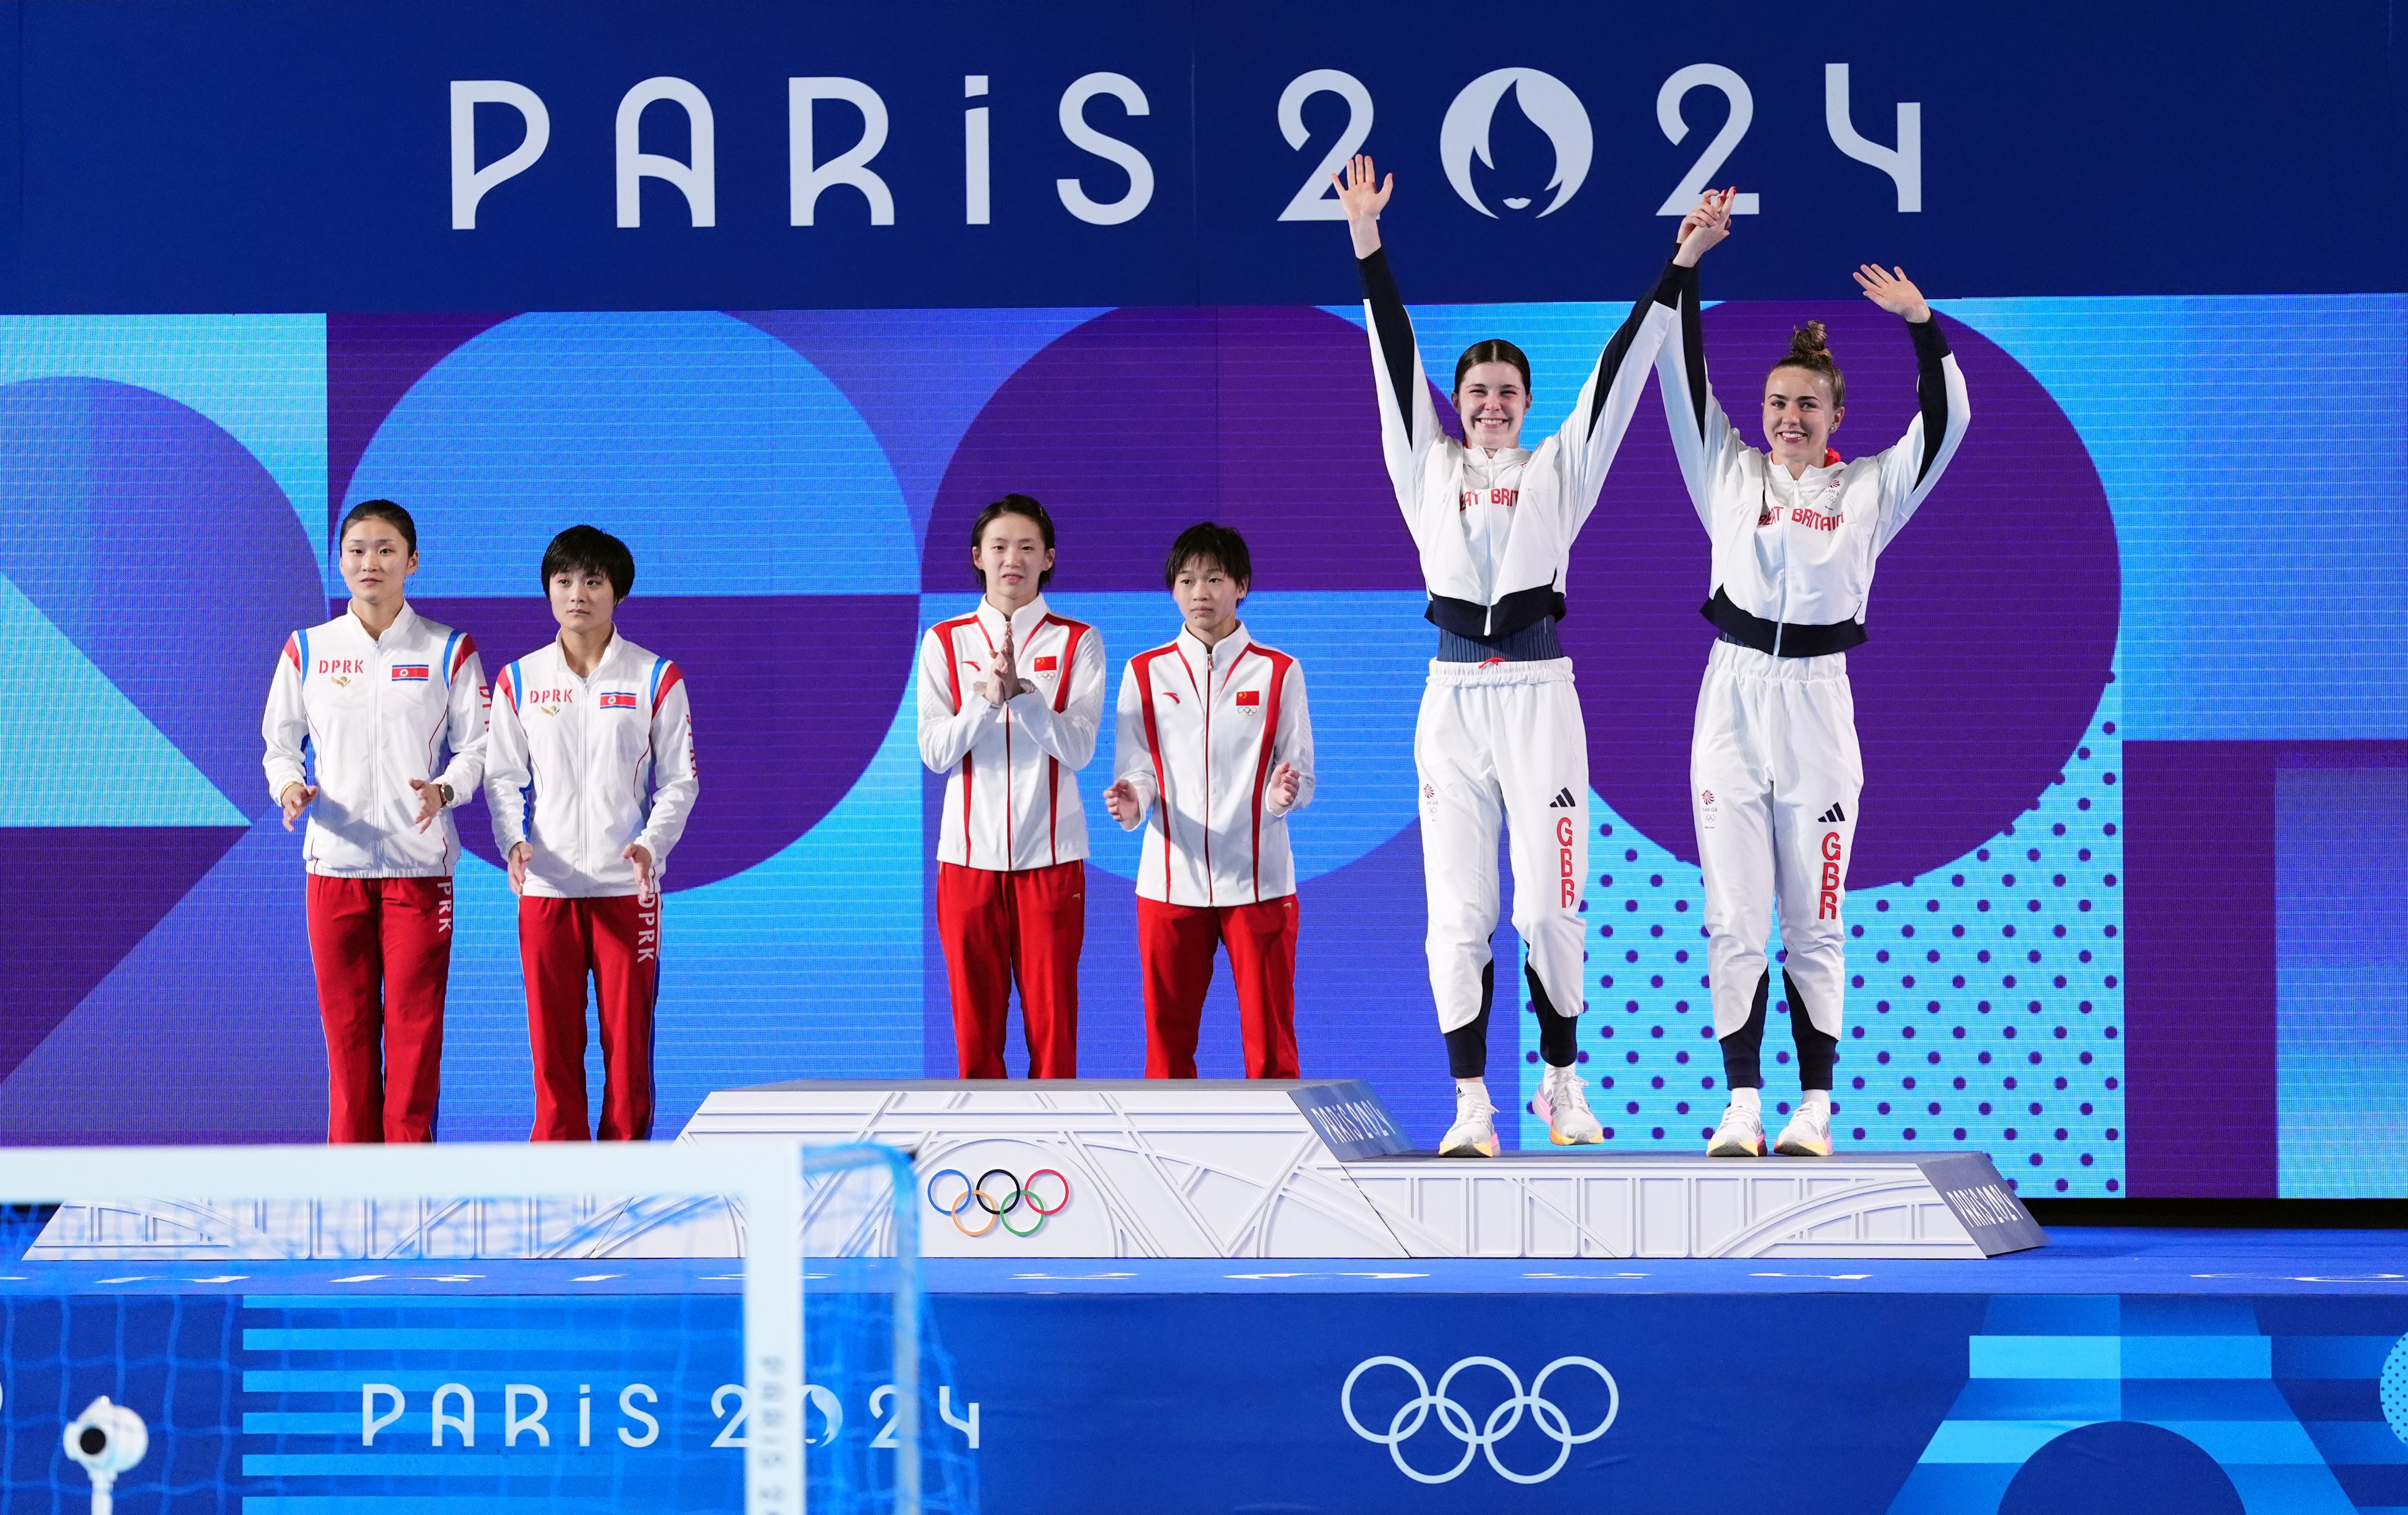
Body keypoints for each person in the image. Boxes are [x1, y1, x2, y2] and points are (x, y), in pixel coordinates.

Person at [1337, 153, 1709, 1156]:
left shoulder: (1559, 469)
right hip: (1452, 699)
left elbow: (1622, 372)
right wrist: (1367, 239)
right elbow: (1390, 355)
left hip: (1543, 696)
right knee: (1458, 913)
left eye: (1507, 390)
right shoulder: (1425, 463)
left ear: (1528, 401)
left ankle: (1561, 1083)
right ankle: (1470, 1104)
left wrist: (1677, 268)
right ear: (1455, 401)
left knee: (1551, 905)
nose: (1492, 403)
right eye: (1477, 389)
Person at [1655, 188, 1972, 1158]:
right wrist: (1690, 263)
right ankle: (1743, 1104)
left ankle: (1816, 1108)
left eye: (1807, 404)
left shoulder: (1871, 487)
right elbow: (1676, 367)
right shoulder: (1726, 469)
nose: (1789, 416)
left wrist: (1923, 325)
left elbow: (1948, 421)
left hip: (1821, 709)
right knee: (1734, 915)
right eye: (1777, 403)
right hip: (1732, 695)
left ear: (1836, 412)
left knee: (1815, 918)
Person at [262, 499, 486, 1143]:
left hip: (419, 870)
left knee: (415, 1035)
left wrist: (445, 787)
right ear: (340, 562)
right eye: (358, 549)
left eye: (386, 549)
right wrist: (288, 789)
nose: (371, 562)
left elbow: (478, 747)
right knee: (348, 1034)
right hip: (334, 864)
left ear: (412, 562)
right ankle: (350, 1187)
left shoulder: (449, 649)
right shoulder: (308, 649)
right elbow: (280, 743)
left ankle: (408, 1185)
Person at [485, 525, 698, 1142]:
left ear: (617, 592)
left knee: (628, 1047)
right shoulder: (519, 679)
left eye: (593, 581)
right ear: (549, 591)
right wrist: (513, 841)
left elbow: (679, 781)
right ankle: (559, 1179)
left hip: (625, 890)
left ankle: (627, 1177)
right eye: (565, 580)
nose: (578, 593)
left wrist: (649, 845)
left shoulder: (655, 677)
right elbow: (502, 776)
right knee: (553, 1049)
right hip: (546, 891)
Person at [1104, 523, 1315, 1079]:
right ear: (1172, 589)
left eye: (1215, 578)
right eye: (1187, 578)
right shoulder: (1145, 672)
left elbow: (1303, 776)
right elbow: (1136, 768)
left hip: (1260, 882)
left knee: (1272, 1048)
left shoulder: (1279, 671)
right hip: (1171, 883)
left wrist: (1279, 797)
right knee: (1166, 1048)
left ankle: (1283, 1159)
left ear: (1241, 585)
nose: (1200, 591)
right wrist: (1133, 800)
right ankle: (1164, 1165)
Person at [917, 494, 1105, 1079]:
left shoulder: (1078, 641)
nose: (1012, 559)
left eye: (1027, 547)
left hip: (1052, 859)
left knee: (1054, 1032)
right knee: (975, 1033)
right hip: (967, 862)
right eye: (999, 546)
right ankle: (982, 1163)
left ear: (1049, 557)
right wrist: (985, 700)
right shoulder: (944, 641)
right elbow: (935, 752)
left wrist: (1025, 697)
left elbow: (1079, 747)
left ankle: (1056, 1165)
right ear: (978, 556)